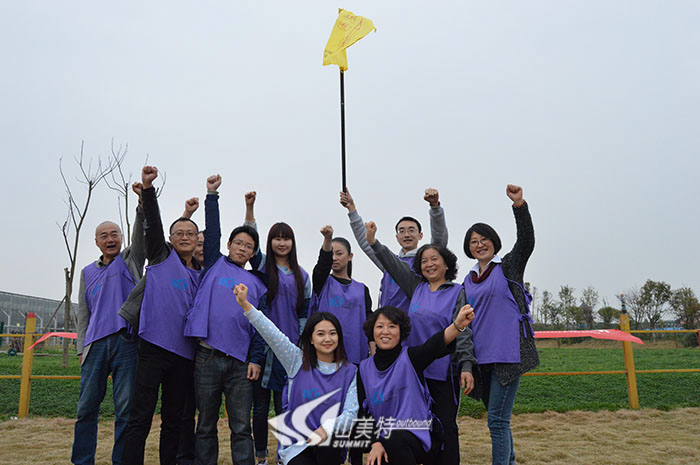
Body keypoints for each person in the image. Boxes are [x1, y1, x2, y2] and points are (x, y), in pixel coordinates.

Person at [365, 221, 475, 465]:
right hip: (413, 370)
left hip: (443, 372)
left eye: (434, 259)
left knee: (446, 425)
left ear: (447, 264)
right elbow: (392, 264)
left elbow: (463, 331)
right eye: (424, 261)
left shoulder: (457, 292)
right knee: (416, 423)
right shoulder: (415, 287)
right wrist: (373, 242)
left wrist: (466, 365)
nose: (429, 264)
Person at [119, 166, 203, 465]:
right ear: (170, 238)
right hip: (153, 348)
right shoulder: (160, 256)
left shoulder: (203, 274)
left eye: (190, 234)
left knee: (174, 420)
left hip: (184, 354)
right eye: (178, 233)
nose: (184, 237)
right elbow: (152, 223)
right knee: (140, 417)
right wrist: (148, 188)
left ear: (197, 239)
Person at [183, 174, 267, 465]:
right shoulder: (214, 263)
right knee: (205, 424)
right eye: (238, 243)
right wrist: (212, 195)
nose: (242, 248)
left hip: (240, 363)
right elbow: (214, 230)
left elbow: (260, 328)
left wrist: (256, 359)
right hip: (207, 357)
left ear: (253, 253)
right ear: (229, 244)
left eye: (248, 246)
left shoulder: (258, 284)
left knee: (241, 427)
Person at [234, 283, 358, 465]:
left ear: (339, 337)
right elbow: (272, 334)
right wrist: (245, 305)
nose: (327, 339)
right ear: (311, 339)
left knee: (330, 446)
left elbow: (351, 413)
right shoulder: (296, 361)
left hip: (329, 442)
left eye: (332, 333)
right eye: (320, 334)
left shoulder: (350, 371)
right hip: (297, 445)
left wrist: (326, 429)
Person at [461, 184, 538, 465]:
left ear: (494, 242)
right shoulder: (467, 280)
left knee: (497, 420)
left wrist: (519, 206)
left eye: (484, 239)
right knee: (498, 420)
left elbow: (526, 242)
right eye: (474, 241)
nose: (480, 244)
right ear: (468, 248)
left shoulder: (507, 267)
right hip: (481, 357)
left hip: (507, 354)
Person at [72, 182, 145, 465]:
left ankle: (121, 461)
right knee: (86, 408)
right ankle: (82, 460)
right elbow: (83, 313)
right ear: (97, 242)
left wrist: (141, 204)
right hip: (95, 346)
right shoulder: (87, 272)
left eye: (115, 234)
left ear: (121, 238)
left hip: (127, 343)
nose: (110, 238)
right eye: (104, 235)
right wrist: (81, 348)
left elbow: (140, 236)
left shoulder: (130, 260)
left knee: (125, 409)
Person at [243, 192, 312, 465]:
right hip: (262, 348)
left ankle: (286, 456)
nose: (281, 243)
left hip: (290, 350)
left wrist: (300, 346)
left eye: (286, 238)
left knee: (286, 406)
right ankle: (261, 457)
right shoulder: (262, 267)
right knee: (260, 408)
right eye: (277, 238)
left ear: (292, 243)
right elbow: (251, 238)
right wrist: (250, 207)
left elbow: (304, 314)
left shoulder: (302, 275)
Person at [359, 304, 475, 465]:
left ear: (401, 332)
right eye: (379, 326)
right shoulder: (363, 369)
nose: (385, 331)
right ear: (372, 331)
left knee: (395, 439)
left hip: (418, 436)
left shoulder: (411, 358)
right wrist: (375, 443)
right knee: (380, 455)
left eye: (392, 326)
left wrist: (457, 325)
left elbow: (433, 346)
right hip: (384, 438)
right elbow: (361, 412)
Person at [339, 188, 448, 312]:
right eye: (402, 231)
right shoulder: (389, 262)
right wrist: (351, 209)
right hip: (387, 320)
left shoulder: (425, 263)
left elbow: (439, 240)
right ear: (397, 237)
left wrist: (435, 207)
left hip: (414, 320)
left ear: (420, 235)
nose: (407, 235)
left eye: (411, 230)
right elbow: (367, 243)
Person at [308, 225, 372, 365]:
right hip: (326, 357)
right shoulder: (322, 282)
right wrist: (327, 239)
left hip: (355, 356)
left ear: (350, 256)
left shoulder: (362, 290)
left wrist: (373, 352)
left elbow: (369, 322)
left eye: (339, 253)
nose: (334, 258)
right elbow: (323, 265)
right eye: (332, 254)